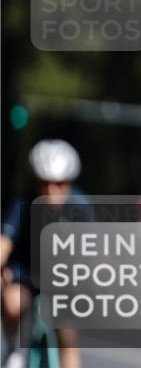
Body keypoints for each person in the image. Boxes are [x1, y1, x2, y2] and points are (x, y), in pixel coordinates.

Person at [1, 139, 92, 368]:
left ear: (69, 182)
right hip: (26, 274)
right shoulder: (25, 202)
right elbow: (4, 241)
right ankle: (13, 348)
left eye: (59, 184)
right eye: (44, 183)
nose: (51, 190)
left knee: (67, 331)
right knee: (12, 302)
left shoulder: (80, 207)